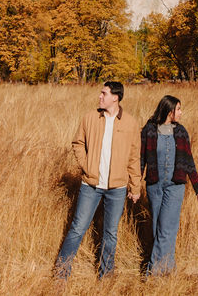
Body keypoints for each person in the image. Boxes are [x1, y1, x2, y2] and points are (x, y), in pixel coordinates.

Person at [55, 81, 142, 279]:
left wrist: (135, 186)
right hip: (91, 185)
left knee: (110, 233)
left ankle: (105, 276)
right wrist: (87, 167)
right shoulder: (90, 118)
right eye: (101, 93)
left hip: (117, 188)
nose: (100, 96)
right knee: (78, 228)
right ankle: (61, 273)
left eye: (104, 93)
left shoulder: (130, 123)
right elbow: (78, 143)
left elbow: (134, 157)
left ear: (115, 97)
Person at [141, 95, 198, 275]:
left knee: (167, 228)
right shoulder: (149, 130)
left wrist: (197, 188)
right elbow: (141, 158)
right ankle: (168, 269)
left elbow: (188, 161)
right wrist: (132, 185)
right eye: (178, 109)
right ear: (169, 111)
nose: (181, 113)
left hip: (175, 185)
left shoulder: (181, 132)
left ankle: (153, 273)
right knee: (156, 228)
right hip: (154, 184)